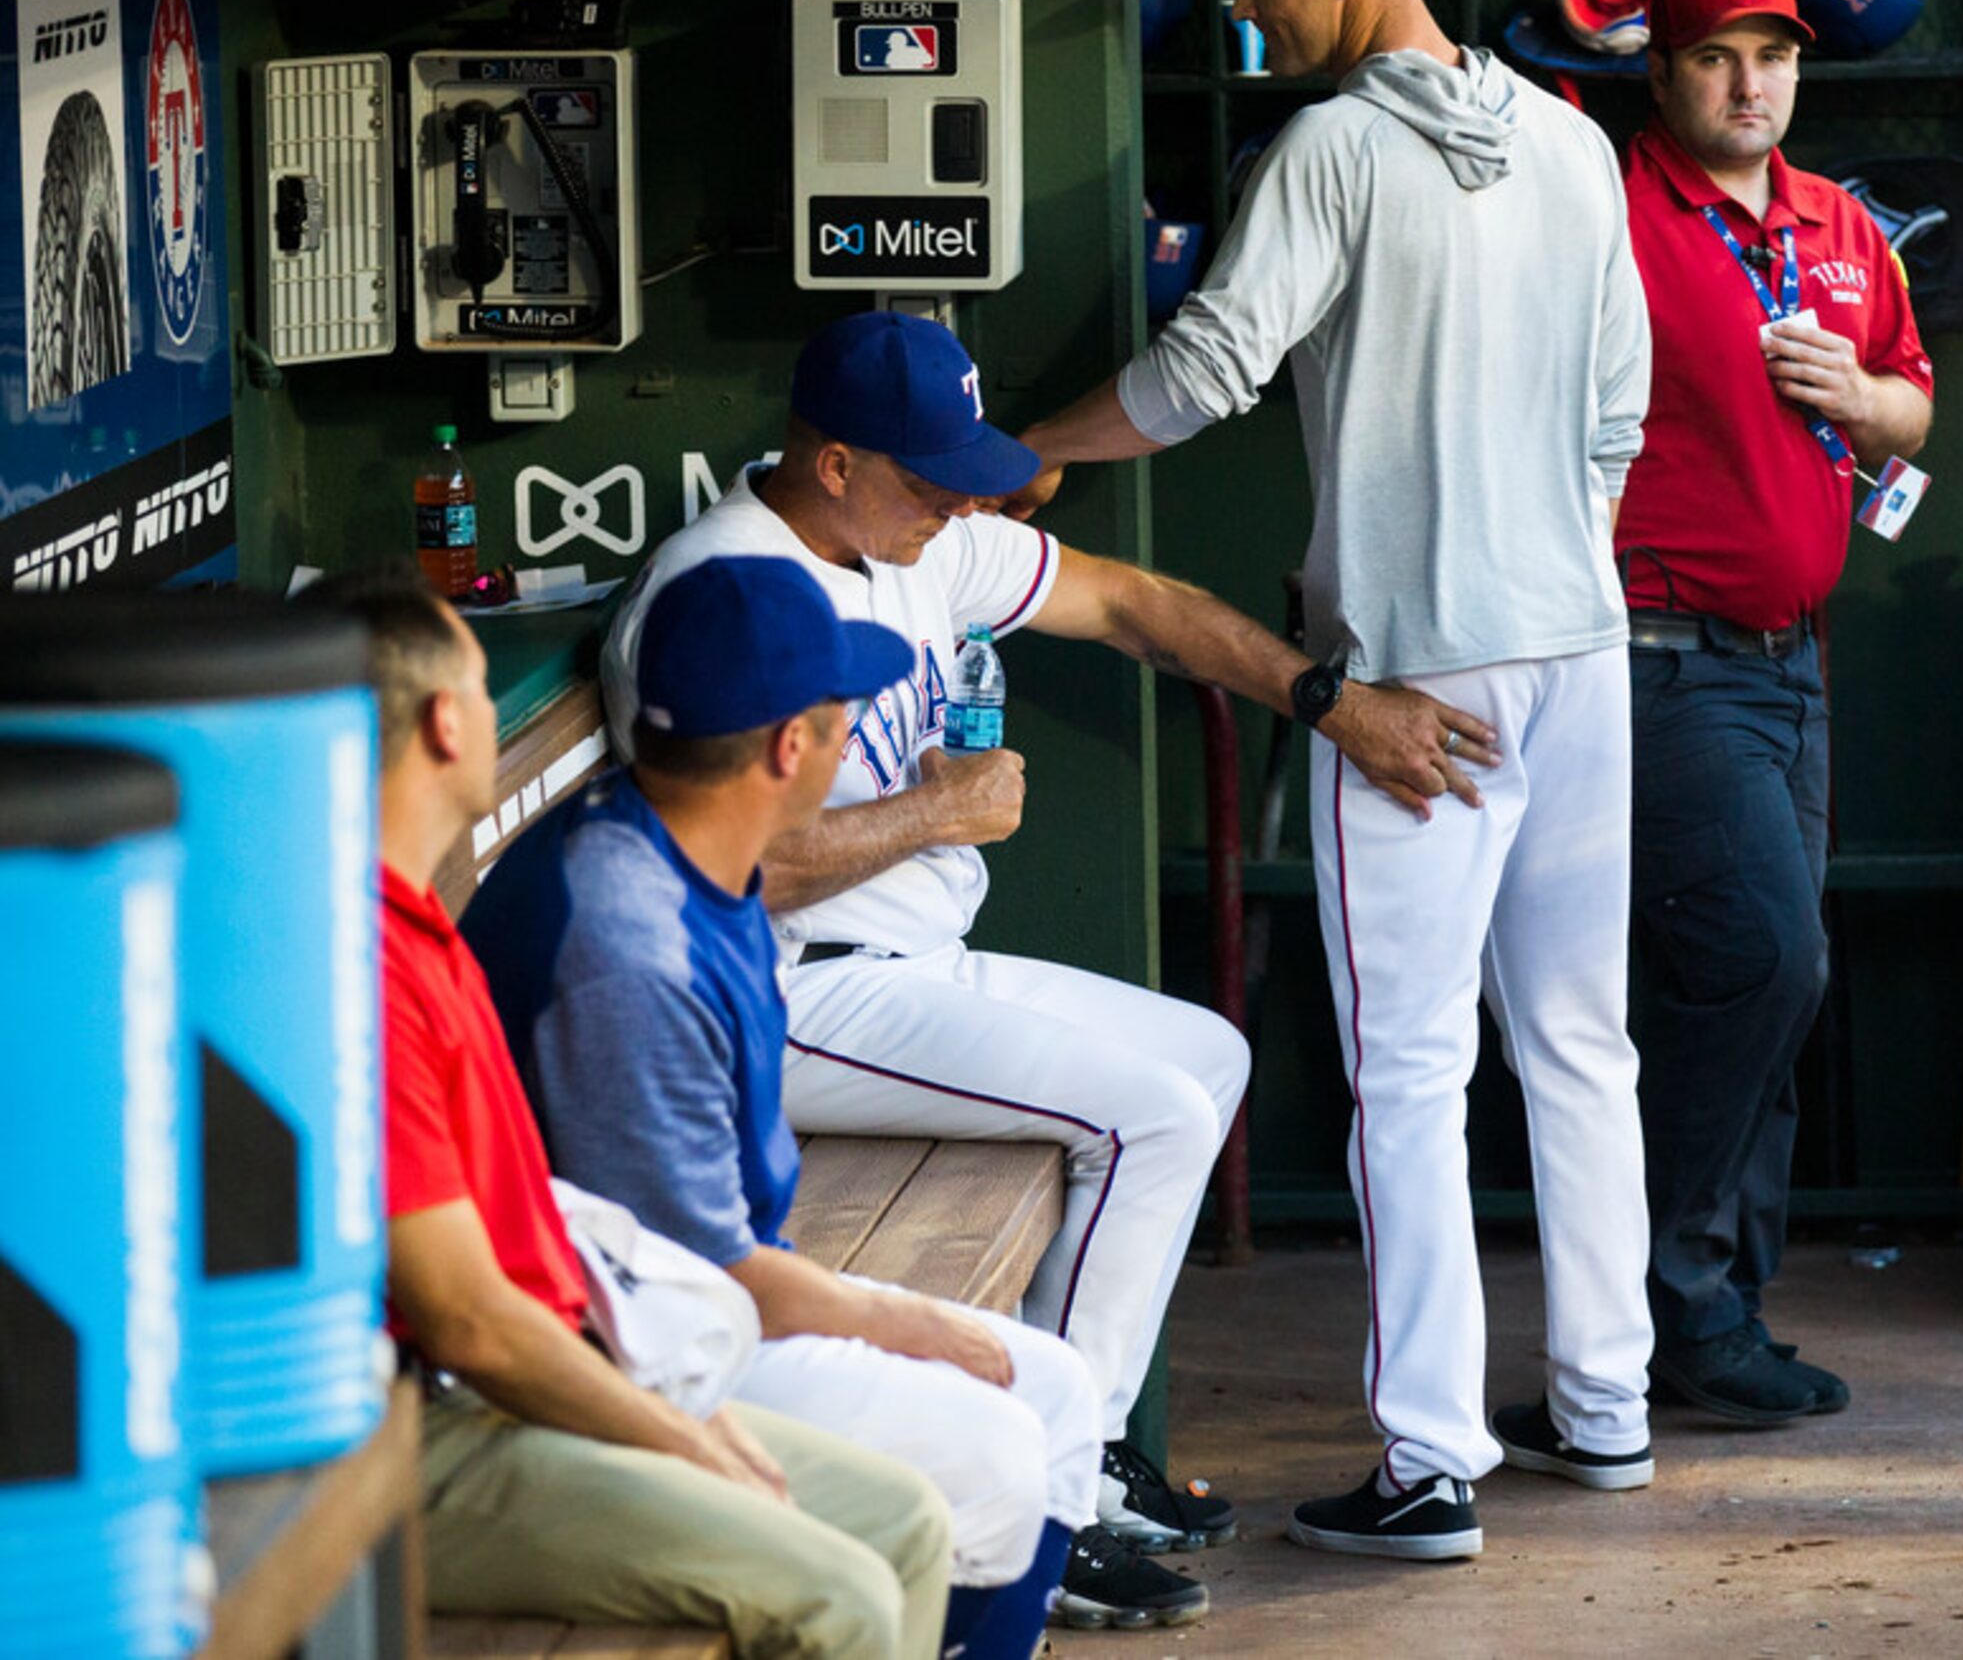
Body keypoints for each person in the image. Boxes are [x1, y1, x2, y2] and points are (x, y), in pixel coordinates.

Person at [585, 312, 1483, 1604]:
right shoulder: (722, 591)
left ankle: (1087, 1442)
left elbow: (1136, 601)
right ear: (834, 462)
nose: (956, 499)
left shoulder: (915, 542)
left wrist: (1324, 701)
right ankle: (1048, 1497)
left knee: (1205, 1054)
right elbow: (708, 862)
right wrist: (934, 812)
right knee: (1147, 1118)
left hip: (905, 961)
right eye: (926, 475)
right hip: (777, 986)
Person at [1014, 0, 1658, 1559]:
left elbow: (1199, 375)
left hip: (1410, 681)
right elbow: (1619, 415)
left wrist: (1021, 449)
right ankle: (1605, 1404)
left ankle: (1430, 1461)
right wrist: (1537, 572)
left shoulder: (1329, 148)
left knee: (1409, 1070)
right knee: (1577, 1044)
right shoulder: (1574, 139)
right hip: (1576, 653)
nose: (1247, 18)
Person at [463, 552, 1133, 1644]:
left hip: (678, 1291)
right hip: (608, 1350)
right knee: (1008, 1442)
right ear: (790, 748)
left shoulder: (680, 846)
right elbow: (696, 1281)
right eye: (839, 712)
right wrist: (900, 1318)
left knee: (1051, 1388)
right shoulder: (627, 948)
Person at [306, 561, 952, 1659]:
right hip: (412, 1429)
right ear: (449, 730)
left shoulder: (414, 924)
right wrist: (673, 1433)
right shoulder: (350, 959)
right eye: (476, 679)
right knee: (837, 1594)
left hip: (541, 1363)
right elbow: (465, 1321)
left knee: (906, 1521)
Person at [1612, 0, 1934, 1425]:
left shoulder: (1838, 225)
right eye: (1713, 56)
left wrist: (1857, 401)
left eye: (1774, 53)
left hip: (1794, 660)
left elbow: (1910, 408)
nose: (1750, 83)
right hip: (1652, 653)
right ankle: (1672, 1308)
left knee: (1755, 983)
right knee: (1761, 962)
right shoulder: (1605, 215)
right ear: (1660, 71)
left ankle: (1719, 1306)